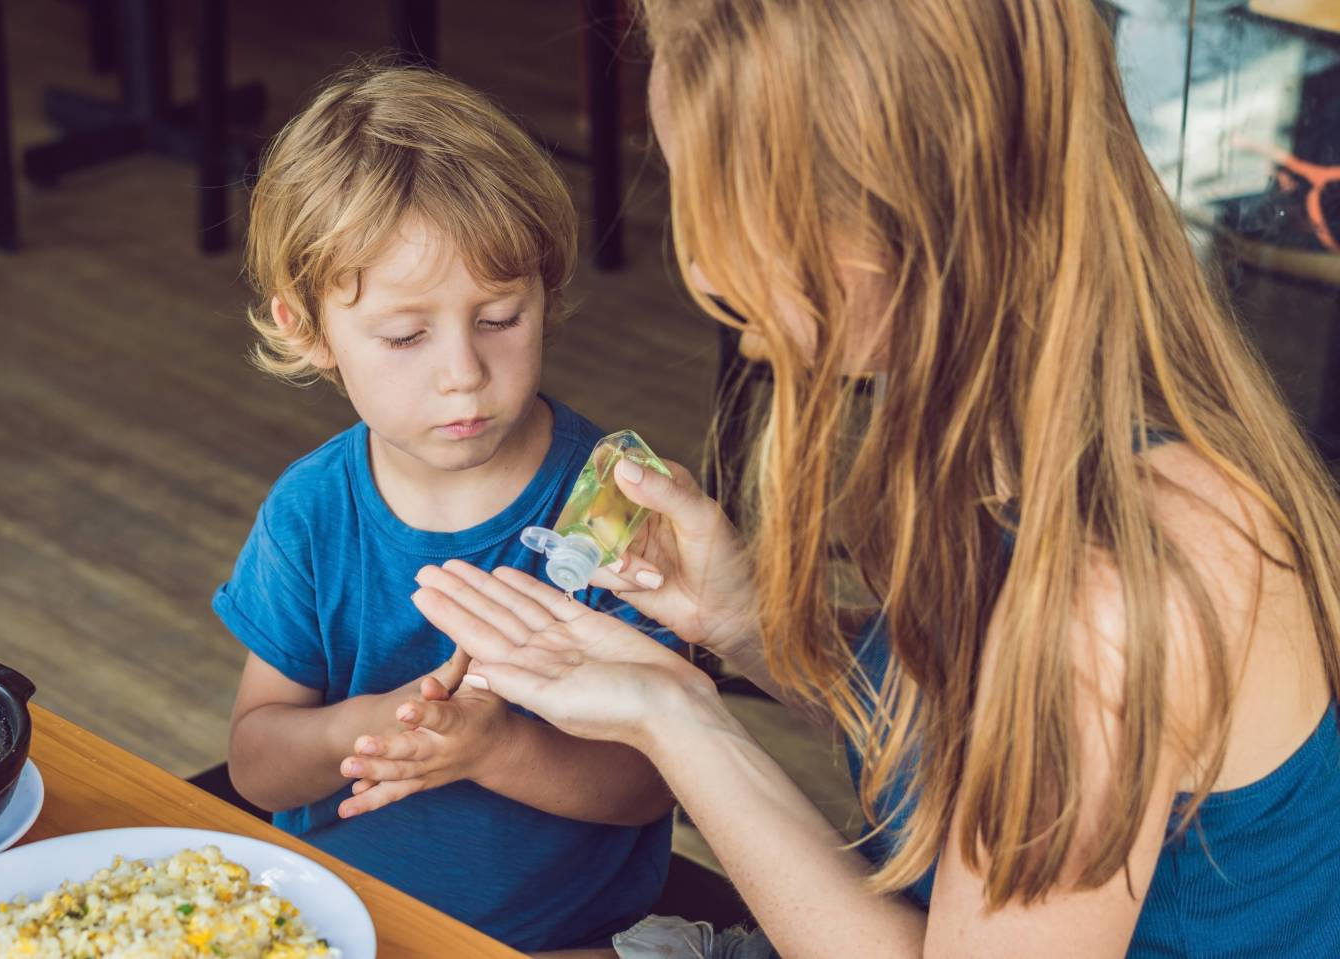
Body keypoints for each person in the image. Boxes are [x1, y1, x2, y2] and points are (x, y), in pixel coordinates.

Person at [405, 2, 1340, 957]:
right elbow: (967, 740)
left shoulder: (1111, 585)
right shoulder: (988, 421)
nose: (704, 268)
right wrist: (748, 625)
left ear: (877, 222)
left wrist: (679, 722)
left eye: (720, 205)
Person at [212, 63, 680, 954]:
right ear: (309, 332)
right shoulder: (311, 511)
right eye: (404, 335)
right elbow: (257, 764)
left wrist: (494, 748)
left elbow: (649, 782)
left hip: (570, 938)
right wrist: (368, 723)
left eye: (500, 317)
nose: (462, 370)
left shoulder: (615, 504)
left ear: (545, 292)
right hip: (346, 929)